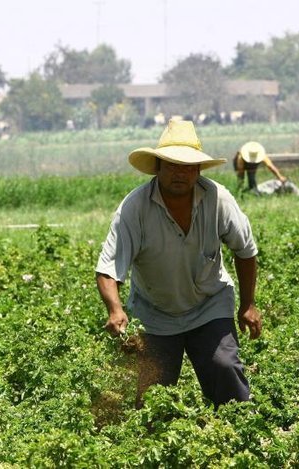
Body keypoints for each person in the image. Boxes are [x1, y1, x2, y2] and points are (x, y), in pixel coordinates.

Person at [95, 119, 262, 409]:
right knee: (151, 399)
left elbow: (245, 251)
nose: (180, 173)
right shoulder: (134, 208)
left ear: (198, 170)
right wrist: (116, 308)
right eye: (171, 165)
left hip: (210, 304)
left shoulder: (218, 199)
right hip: (154, 313)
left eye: (187, 166)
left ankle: (239, 431)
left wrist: (248, 304)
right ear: (158, 167)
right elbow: (109, 268)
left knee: (224, 368)